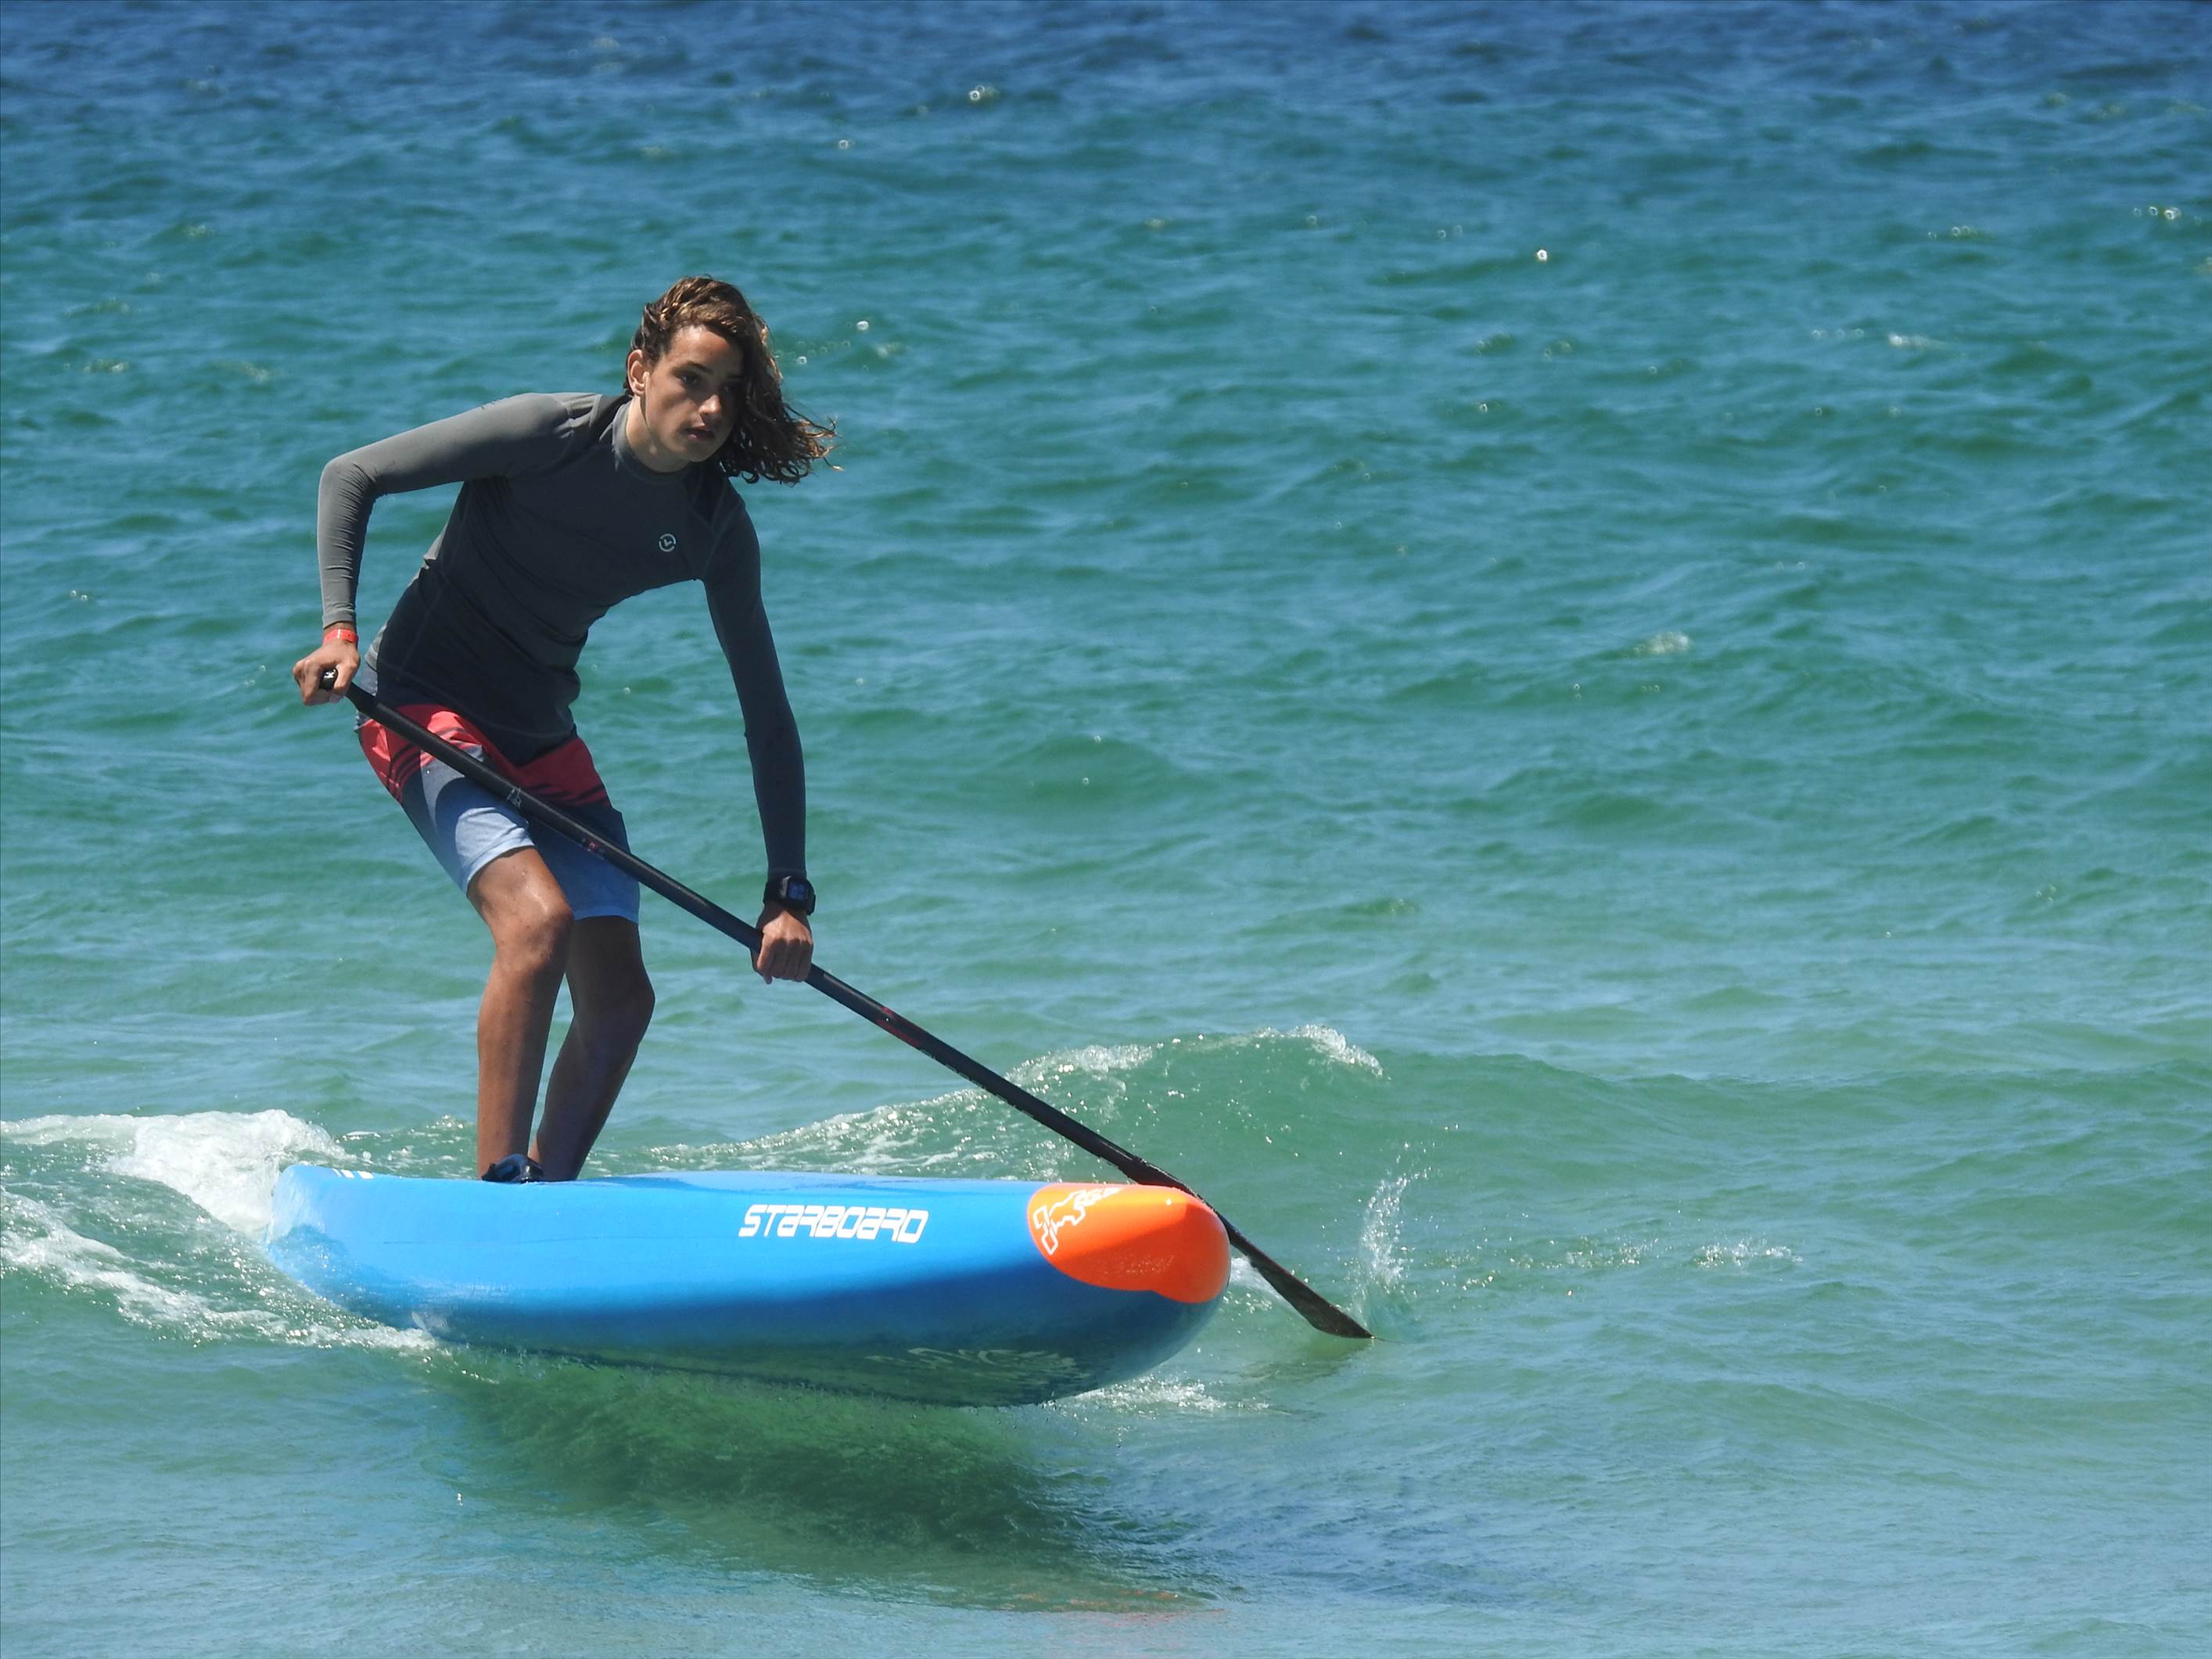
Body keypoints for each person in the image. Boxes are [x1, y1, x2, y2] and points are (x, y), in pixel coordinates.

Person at [291, 276, 830, 1183]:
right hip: (419, 704)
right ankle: (495, 1192)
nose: (709, 408)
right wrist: (338, 631)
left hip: (539, 734)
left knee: (620, 1001)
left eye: (729, 392)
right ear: (639, 370)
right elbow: (352, 475)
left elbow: (766, 716)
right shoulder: (548, 435)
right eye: (691, 380)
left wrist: (788, 894)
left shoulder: (711, 526)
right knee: (536, 923)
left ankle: (547, 1195)